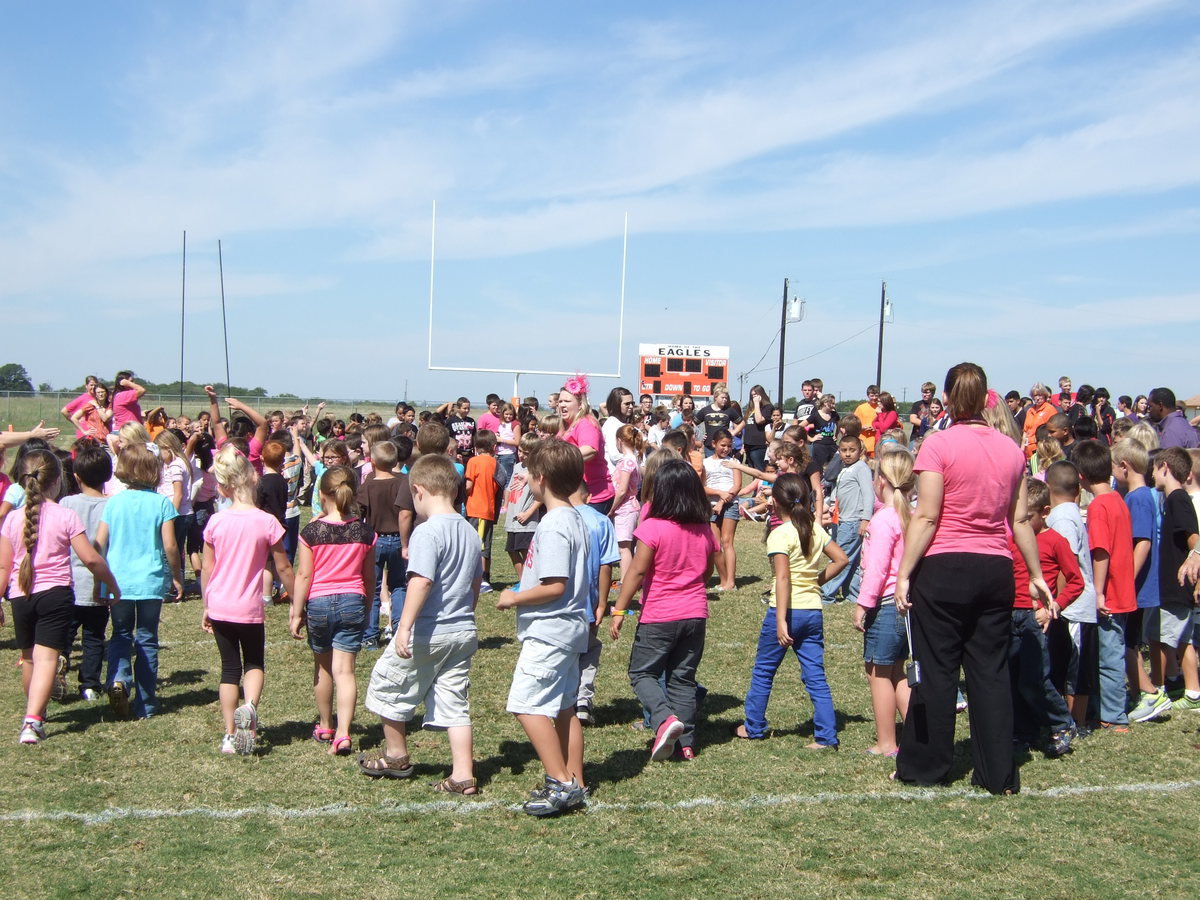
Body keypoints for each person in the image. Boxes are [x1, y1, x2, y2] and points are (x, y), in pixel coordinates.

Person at [894, 362, 1050, 795]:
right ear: (987, 400)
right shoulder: (1010, 450)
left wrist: (904, 573)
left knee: (937, 670)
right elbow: (1020, 521)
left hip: (944, 569)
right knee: (990, 672)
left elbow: (926, 516)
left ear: (945, 399)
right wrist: (1035, 574)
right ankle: (998, 772)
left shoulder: (937, 445)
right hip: (995, 570)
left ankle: (926, 765)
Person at [359, 453, 482, 794]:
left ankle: (396, 754)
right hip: (462, 630)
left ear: (418, 491)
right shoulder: (470, 532)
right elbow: (475, 582)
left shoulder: (427, 532)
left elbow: (421, 581)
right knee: (455, 701)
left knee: (388, 683)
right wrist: (467, 612)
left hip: (429, 630)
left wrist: (404, 626)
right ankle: (462, 775)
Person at [496, 440, 592, 816]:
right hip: (569, 628)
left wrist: (514, 596)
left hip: (550, 631)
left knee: (527, 704)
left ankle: (561, 782)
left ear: (541, 479)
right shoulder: (576, 518)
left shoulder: (553, 525)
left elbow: (555, 586)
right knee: (565, 707)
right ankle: (576, 780)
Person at [0, 449, 119, 744]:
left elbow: (3, 565)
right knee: (46, 659)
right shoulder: (66, 515)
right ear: (56, 482)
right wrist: (111, 583)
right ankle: (33, 720)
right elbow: (90, 558)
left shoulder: (12, 520)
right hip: (55, 595)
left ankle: (35, 712)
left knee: (29, 659)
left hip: (20, 595)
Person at [610, 457, 719, 761]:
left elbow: (636, 573)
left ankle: (663, 718)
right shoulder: (704, 530)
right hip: (695, 614)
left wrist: (618, 610)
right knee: (682, 679)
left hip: (659, 614)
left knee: (642, 672)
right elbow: (707, 573)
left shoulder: (653, 528)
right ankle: (686, 743)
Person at [731, 472, 848, 747]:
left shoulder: (779, 534)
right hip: (812, 612)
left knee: (764, 671)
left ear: (776, 502)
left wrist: (781, 620)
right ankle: (827, 736)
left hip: (786, 612)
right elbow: (841, 559)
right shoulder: (815, 528)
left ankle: (754, 726)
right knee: (815, 675)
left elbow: (782, 579)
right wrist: (815, 580)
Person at [201, 446, 295, 755]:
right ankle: (250, 709)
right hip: (249, 607)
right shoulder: (267, 522)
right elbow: (282, 566)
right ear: (253, 479)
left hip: (220, 605)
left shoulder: (216, 522)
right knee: (253, 661)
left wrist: (206, 604)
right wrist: (297, 600)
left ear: (224, 486)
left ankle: (230, 733)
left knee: (229, 669)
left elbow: (208, 569)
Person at [289, 466, 376, 755]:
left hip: (319, 603)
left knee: (323, 667)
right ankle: (343, 733)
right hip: (352, 600)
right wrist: (366, 605)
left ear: (322, 494)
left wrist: (296, 611)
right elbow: (369, 577)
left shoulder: (312, 531)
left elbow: (303, 575)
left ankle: (326, 724)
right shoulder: (364, 532)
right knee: (346, 671)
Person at [94, 443, 183, 719]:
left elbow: (99, 543)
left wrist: (100, 582)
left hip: (118, 580)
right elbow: (170, 546)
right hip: (150, 581)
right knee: (147, 639)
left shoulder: (114, 502)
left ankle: (118, 679)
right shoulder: (162, 503)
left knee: (120, 634)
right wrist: (177, 576)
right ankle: (146, 702)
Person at [1009, 478, 1081, 758]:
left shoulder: (1054, 541)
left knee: (1035, 678)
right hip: (1009, 614)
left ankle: (1062, 723)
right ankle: (1023, 732)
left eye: (1028, 518)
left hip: (1036, 618)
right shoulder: (1010, 537)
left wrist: (1053, 606)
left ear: (1045, 512)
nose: (1023, 524)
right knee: (1013, 677)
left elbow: (1076, 581)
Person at [852, 449, 916, 758]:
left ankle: (887, 742)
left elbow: (876, 569)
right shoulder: (912, 517)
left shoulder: (883, 520)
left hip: (887, 604)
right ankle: (918, 735)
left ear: (882, 482)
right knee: (896, 672)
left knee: (877, 672)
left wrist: (863, 604)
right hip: (907, 607)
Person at [1073, 439, 1136, 732]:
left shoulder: (1099, 506)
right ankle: (1105, 708)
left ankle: (1114, 716)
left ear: (1081, 476)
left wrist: (1097, 592)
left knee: (1109, 656)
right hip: (1123, 588)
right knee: (1111, 651)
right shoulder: (1117, 500)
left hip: (1109, 593)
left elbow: (1101, 552)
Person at [1112, 439, 1165, 722]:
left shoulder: (1138, 498)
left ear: (1124, 467)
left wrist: (1125, 581)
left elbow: (1142, 543)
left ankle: (1150, 693)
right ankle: (1140, 688)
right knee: (1131, 640)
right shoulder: (1137, 496)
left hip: (1137, 586)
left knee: (1127, 642)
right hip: (1136, 585)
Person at [1043, 461, 1097, 729]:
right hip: (1073, 604)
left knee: (1077, 667)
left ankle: (1077, 719)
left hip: (1074, 605)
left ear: (1048, 487)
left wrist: (1057, 602)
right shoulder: (1070, 512)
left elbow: (1067, 565)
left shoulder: (1062, 518)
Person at [60, 440, 114, 702]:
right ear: (108, 475)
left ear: (76, 476)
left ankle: (59, 664)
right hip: (100, 582)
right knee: (94, 637)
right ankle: (90, 684)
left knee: (65, 633)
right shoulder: (112, 506)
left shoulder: (67, 503)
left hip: (69, 582)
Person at [357, 439, 408, 651]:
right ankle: (399, 628)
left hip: (375, 540)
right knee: (399, 585)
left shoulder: (368, 484)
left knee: (373, 586)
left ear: (373, 462)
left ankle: (369, 635)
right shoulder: (403, 481)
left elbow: (358, 514)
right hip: (399, 539)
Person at [821, 435, 872, 604]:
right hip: (841, 519)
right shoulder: (843, 467)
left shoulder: (861, 468)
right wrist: (834, 504)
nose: (848, 454)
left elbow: (868, 494)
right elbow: (835, 485)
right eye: (844, 450)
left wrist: (865, 519)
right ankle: (852, 594)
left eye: (852, 450)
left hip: (853, 520)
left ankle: (827, 593)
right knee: (852, 558)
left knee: (841, 557)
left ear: (860, 451)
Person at [557, 374, 614, 514]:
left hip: (594, 496)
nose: (562, 405)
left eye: (567, 401)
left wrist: (558, 460)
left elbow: (590, 450)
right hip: (575, 494)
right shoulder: (566, 426)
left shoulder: (586, 423)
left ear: (580, 404)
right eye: (560, 401)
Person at [703, 428, 742, 592]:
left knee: (727, 542)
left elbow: (737, 485)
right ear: (714, 444)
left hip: (730, 504)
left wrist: (723, 501)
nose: (726, 449)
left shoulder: (734, 463)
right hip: (711, 505)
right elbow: (703, 487)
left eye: (729, 446)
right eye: (722, 445)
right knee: (716, 545)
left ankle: (731, 581)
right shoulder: (706, 463)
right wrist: (718, 495)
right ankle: (723, 578)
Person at [608, 424, 643, 584]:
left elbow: (622, 490)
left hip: (625, 508)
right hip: (628, 507)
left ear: (620, 441)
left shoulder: (627, 463)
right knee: (624, 545)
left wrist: (612, 508)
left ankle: (625, 579)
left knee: (624, 547)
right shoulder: (633, 460)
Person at [464, 430, 499, 592]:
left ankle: (481, 579)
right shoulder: (495, 463)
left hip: (476, 509)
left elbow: (469, 486)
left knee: (478, 545)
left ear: (476, 447)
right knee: (486, 544)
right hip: (489, 509)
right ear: (493, 447)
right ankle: (486, 576)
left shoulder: (473, 462)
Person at [503, 433, 542, 569]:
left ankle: (531, 582)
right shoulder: (517, 466)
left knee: (526, 552)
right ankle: (522, 582)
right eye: (520, 450)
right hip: (513, 518)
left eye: (526, 453)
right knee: (512, 551)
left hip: (527, 521)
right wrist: (506, 506)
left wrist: (528, 513)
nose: (521, 455)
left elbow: (541, 496)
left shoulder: (537, 470)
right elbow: (509, 488)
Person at [697, 386, 743, 455]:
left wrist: (733, 432)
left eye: (726, 398)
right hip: (710, 447)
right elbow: (692, 423)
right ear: (715, 397)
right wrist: (700, 436)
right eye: (722, 397)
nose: (724, 400)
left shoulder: (729, 410)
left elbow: (742, 423)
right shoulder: (705, 410)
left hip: (724, 447)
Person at [601, 387, 635, 472]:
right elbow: (615, 456)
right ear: (617, 405)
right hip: (615, 477)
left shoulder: (625, 423)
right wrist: (634, 459)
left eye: (632, 403)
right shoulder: (611, 424)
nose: (631, 406)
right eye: (627, 404)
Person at [742, 385, 775, 470]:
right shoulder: (751, 409)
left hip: (759, 445)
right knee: (753, 470)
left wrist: (756, 403)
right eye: (752, 395)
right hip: (749, 444)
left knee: (760, 469)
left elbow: (759, 420)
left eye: (756, 394)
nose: (754, 397)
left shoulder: (768, 407)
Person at [1022, 383, 1057, 462]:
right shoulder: (1030, 411)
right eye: (1035, 395)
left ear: (1044, 395)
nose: (1037, 398)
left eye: (1040, 395)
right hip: (1028, 450)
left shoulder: (1049, 409)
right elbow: (1025, 431)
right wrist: (1022, 450)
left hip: (1042, 450)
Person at [807, 393, 840, 468]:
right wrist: (811, 438)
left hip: (832, 445)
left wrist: (836, 435)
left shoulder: (834, 415)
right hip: (820, 445)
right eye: (832, 403)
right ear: (825, 403)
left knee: (833, 467)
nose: (833, 406)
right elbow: (801, 426)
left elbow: (839, 425)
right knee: (819, 468)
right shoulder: (816, 415)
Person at [854, 386, 881, 459]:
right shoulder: (861, 408)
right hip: (863, 443)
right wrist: (862, 427)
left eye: (876, 395)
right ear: (868, 396)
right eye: (872, 395)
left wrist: (875, 428)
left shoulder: (881, 408)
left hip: (876, 443)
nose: (874, 398)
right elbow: (854, 423)